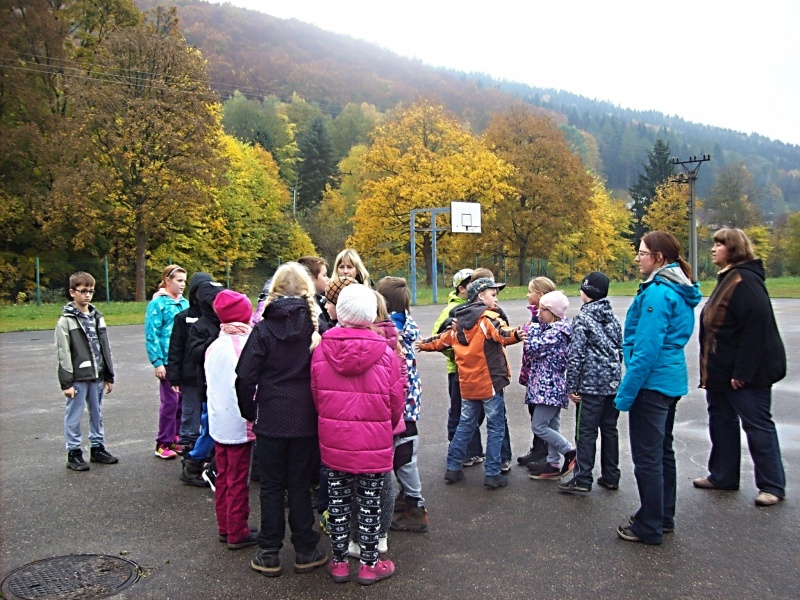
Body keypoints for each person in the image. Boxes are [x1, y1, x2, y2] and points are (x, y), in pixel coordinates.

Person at [236, 263, 330, 577]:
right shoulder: (317, 328)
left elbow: (244, 375)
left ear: (274, 290)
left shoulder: (263, 329)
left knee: (272, 487)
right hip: (306, 419)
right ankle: (305, 549)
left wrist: (249, 411)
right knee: (300, 486)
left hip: (271, 419)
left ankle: (269, 552)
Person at [311, 284, 404, 585]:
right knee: (370, 502)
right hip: (373, 441)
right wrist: (385, 426)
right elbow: (396, 400)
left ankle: (339, 562)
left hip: (335, 439)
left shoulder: (321, 349)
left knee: (337, 501)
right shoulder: (385, 353)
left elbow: (317, 395)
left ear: (341, 312)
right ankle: (369, 564)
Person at [614, 231, 701, 545]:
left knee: (648, 457)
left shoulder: (658, 293)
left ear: (659, 257)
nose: (638, 258)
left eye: (642, 252)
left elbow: (646, 349)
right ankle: (661, 516)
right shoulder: (677, 287)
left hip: (652, 385)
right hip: (669, 380)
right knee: (663, 452)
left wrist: (625, 394)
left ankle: (649, 525)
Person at [695, 228, 786, 507]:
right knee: (721, 422)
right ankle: (723, 476)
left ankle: (772, 485)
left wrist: (743, 372)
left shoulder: (745, 280)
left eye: (719, 244)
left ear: (733, 249)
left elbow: (756, 330)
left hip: (745, 374)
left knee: (757, 426)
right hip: (721, 372)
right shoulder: (729, 277)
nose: (714, 249)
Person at [418, 278, 526, 490]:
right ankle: (492, 473)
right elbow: (502, 334)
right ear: (480, 296)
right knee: (495, 427)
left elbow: (440, 340)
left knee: (465, 425)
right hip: (489, 385)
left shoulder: (458, 322)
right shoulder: (487, 319)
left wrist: (423, 344)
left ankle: (453, 467)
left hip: (467, 385)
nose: (496, 299)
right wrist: (516, 334)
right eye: (493, 295)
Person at [559, 272, 622, 493]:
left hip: (590, 385)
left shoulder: (583, 319)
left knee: (585, 432)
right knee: (609, 430)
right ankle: (611, 475)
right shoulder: (612, 319)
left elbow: (576, 355)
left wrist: (572, 386)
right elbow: (619, 350)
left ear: (586, 292)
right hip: (611, 384)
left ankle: (583, 478)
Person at [206, 290, 258, 550]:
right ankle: (237, 530)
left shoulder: (215, 346)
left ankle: (225, 525)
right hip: (239, 423)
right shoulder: (246, 345)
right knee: (238, 478)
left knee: (224, 475)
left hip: (219, 422)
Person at [376, 276, 428, 533]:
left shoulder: (391, 328)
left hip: (402, 402)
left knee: (405, 455)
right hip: (409, 399)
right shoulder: (406, 321)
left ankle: (415, 506)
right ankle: (407, 496)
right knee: (402, 452)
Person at [55, 272, 117, 471]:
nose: (87, 295)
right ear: (72, 292)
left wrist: (108, 375)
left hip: (97, 375)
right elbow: (63, 353)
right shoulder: (66, 321)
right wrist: (67, 383)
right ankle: (74, 452)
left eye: (90, 291)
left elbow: (105, 347)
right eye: (83, 291)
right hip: (78, 378)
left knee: (96, 413)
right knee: (74, 415)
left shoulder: (97, 317)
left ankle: (97, 447)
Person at [432, 268, 485, 465]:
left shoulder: (479, 306)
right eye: (471, 284)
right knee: (459, 411)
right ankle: (457, 449)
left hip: (477, 371)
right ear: (462, 288)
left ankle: (473, 450)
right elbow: (438, 338)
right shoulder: (451, 309)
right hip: (458, 371)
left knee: (475, 413)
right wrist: (458, 355)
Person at [522, 291, 576, 481]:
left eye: (543, 310)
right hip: (547, 386)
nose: (539, 313)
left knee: (539, 426)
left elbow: (532, 347)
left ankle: (569, 451)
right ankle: (553, 463)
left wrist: (532, 326)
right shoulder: (553, 328)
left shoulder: (556, 332)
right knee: (552, 424)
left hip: (549, 387)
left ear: (553, 312)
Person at [167, 272, 213, 458]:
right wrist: (174, 377)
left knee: (210, 414)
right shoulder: (182, 318)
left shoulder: (216, 317)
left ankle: (207, 451)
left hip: (211, 376)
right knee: (191, 414)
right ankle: (188, 450)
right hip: (191, 376)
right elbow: (176, 348)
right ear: (194, 293)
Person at [145, 265, 189, 459]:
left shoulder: (185, 303)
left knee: (182, 402)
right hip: (167, 360)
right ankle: (163, 442)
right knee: (170, 402)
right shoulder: (158, 304)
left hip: (183, 360)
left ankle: (176, 438)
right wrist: (157, 362)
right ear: (167, 280)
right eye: (179, 280)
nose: (182, 284)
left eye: (184, 281)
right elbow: (151, 334)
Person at [518, 276, 556, 468]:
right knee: (534, 412)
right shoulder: (535, 316)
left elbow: (537, 345)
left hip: (541, 376)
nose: (527, 295)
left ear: (540, 295)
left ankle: (545, 453)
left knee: (541, 417)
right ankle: (538, 449)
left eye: (530, 291)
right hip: (532, 373)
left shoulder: (546, 318)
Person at [298, 256, 330, 326]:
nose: (328, 279)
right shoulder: (311, 306)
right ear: (312, 278)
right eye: (324, 275)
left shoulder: (321, 300)